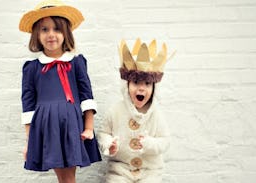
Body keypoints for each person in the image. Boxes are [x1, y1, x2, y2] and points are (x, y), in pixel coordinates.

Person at [18, 0, 101, 182]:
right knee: (63, 178)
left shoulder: (76, 62)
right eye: (44, 29)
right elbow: (28, 107)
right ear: (36, 35)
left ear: (66, 33)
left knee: (68, 177)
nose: (51, 35)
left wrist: (89, 128)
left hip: (71, 126)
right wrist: (29, 141)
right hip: (47, 128)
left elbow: (87, 97)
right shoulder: (32, 68)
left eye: (57, 29)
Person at [97, 38, 172, 183]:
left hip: (149, 172)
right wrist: (109, 144)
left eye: (148, 83)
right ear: (127, 85)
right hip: (120, 170)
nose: (141, 88)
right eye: (136, 82)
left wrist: (150, 144)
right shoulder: (116, 110)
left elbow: (165, 141)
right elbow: (103, 133)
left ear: (154, 88)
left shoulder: (156, 114)